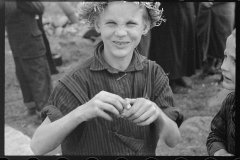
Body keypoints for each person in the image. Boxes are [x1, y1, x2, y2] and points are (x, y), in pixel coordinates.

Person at [31, 1, 183, 155]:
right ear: (98, 25)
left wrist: (157, 113)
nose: (121, 33)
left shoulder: (154, 74)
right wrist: (81, 112)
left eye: (131, 23)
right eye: (111, 23)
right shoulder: (75, 81)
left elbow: (173, 140)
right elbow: (38, 146)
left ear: (145, 27)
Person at [5, 2, 53, 118]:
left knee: (24, 77)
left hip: (16, 44)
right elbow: (39, 8)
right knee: (40, 78)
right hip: (31, 44)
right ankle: (44, 114)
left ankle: (31, 108)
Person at [148, 2, 196, 94]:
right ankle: (169, 81)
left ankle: (178, 75)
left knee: (181, 40)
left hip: (181, 6)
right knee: (168, 43)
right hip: (166, 7)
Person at [206, 29, 236, 156]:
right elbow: (216, 135)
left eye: (234, 60)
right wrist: (220, 152)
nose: (223, 66)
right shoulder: (231, 102)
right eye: (225, 57)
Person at [196, 2, 235, 76]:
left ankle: (227, 72)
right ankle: (209, 66)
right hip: (205, 6)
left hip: (224, 6)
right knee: (206, 36)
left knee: (224, 38)